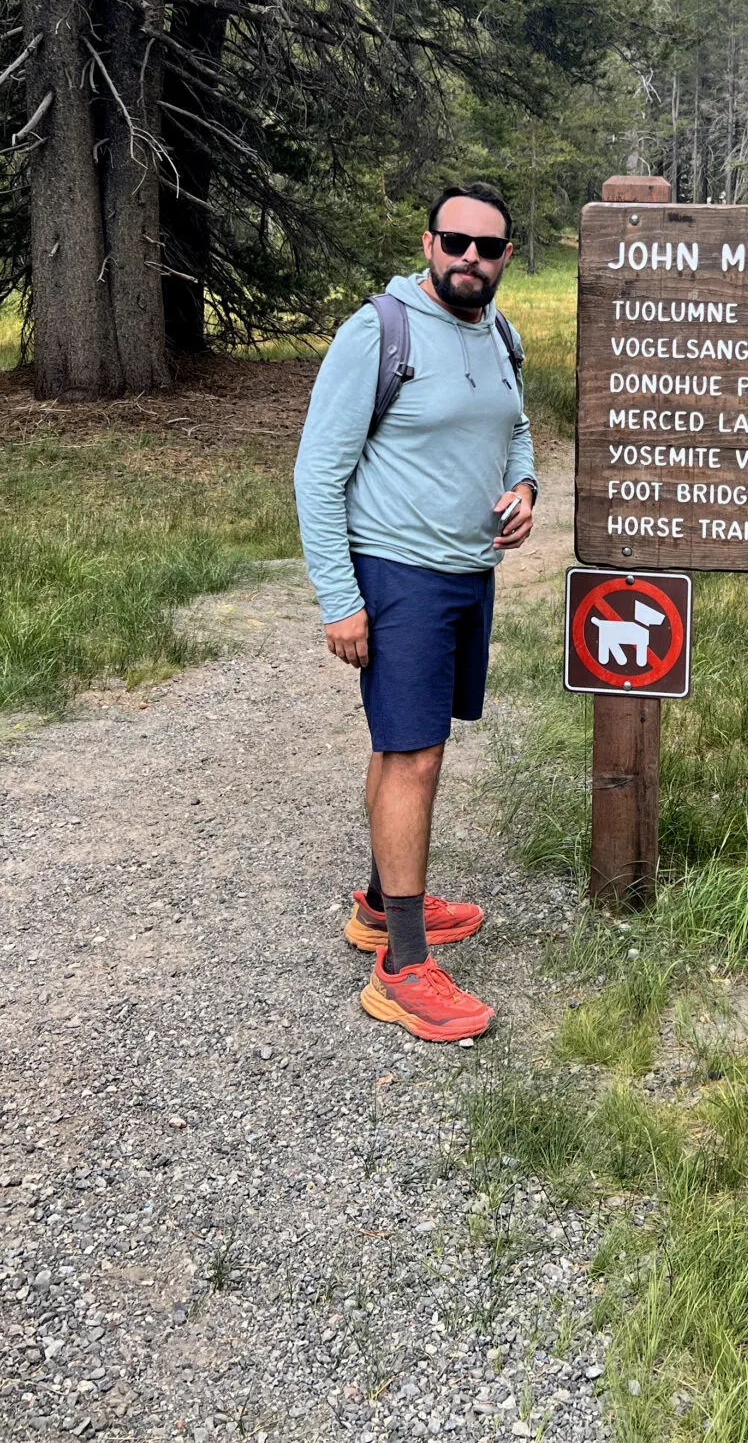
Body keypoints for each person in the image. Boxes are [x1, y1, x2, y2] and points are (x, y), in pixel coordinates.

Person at [294, 183, 537, 1041]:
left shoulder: (498, 333)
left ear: (507, 256)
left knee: (410, 743)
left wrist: (525, 484)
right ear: (429, 243)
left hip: (468, 573)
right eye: (455, 241)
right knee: (414, 757)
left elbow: (513, 427)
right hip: (398, 575)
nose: (470, 257)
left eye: (487, 246)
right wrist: (340, 599)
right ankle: (400, 966)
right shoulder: (379, 332)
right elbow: (317, 473)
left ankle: (377, 901)